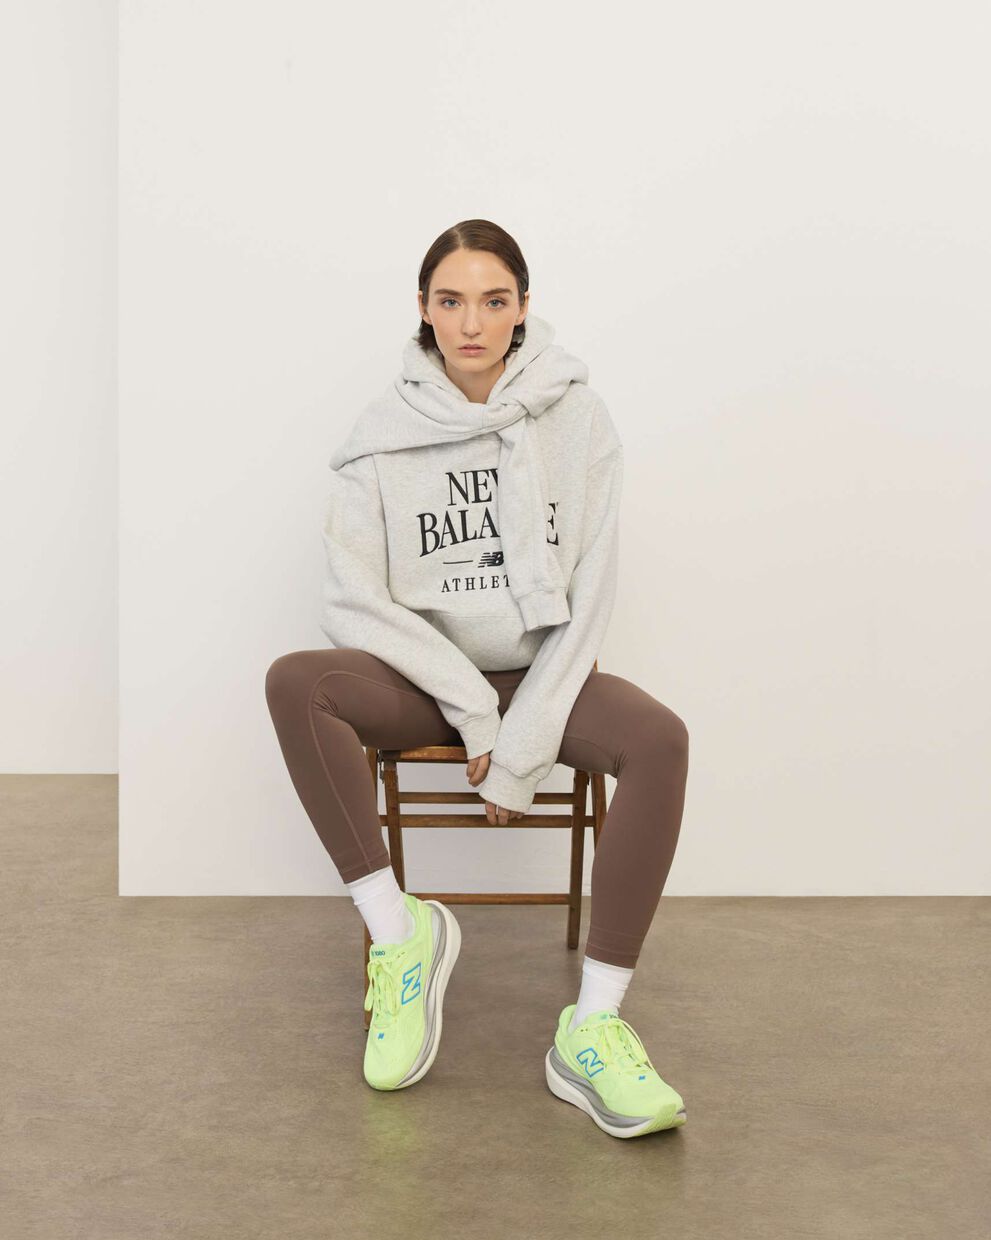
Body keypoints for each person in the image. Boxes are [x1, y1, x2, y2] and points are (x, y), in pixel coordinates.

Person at [264, 219, 690, 1139]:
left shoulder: (579, 418)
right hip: (428, 678)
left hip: (543, 675)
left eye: (494, 301)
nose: (471, 323)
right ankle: (400, 935)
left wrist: (522, 744)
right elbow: (351, 600)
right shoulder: (379, 435)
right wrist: (469, 709)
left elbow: (589, 596)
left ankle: (594, 1027)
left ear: (522, 309)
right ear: (423, 311)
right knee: (297, 683)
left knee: (659, 737)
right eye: (450, 301)